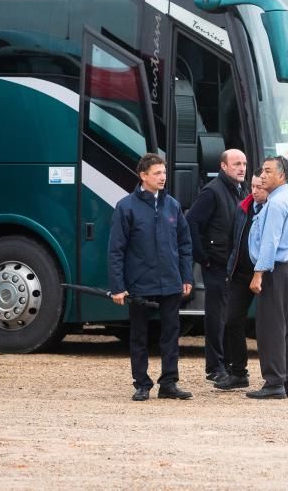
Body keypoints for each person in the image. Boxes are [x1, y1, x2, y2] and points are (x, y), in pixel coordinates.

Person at [109, 153, 194, 401]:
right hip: (139, 283)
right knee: (139, 335)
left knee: (171, 334)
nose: (163, 177)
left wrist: (185, 276)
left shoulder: (173, 206)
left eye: (164, 173)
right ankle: (142, 384)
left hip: (170, 282)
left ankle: (169, 383)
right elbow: (116, 250)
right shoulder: (126, 207)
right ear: (143, 176)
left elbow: (185, 243)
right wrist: (118, 286)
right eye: (157, 173)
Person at [245, 156, 288, 400]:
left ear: (282, 175)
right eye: (261, 172)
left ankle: (273, 383)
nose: (262, 176)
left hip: (275, 270)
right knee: (286, 328)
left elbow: (270, 242)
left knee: (270, 328)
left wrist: (259, 273)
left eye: (268, 171)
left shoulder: (276, 203)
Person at [186, 149, 247, 384]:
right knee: (216, 317)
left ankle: (228, 364)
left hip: (232, 266)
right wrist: (204, 257)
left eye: (244, 163)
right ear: (223, 166)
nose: (241, 168)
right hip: (217, 264)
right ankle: (215, 366)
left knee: (229, 316)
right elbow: (192, 222)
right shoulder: (212, 192)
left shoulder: (239, 191)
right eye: (236, 164)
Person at [214, 169, 267, 391]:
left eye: (259, 187)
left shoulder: (272, 209)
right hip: (239, 273)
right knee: (231, 320)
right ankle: (238, 372)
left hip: (265, 275)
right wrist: (229, 266)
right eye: (252, 186)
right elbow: (231, 239)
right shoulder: (243, 207)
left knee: (268, 326)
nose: (254, 191)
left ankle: (278, 374)